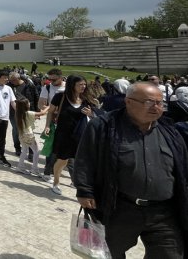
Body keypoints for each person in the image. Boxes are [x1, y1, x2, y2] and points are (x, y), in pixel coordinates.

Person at [74, 82, 188, 258]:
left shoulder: (170, 131)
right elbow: (85, 158)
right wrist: (85, 190)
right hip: (120, 209)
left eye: (160, 103)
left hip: (164, 213)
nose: (157, 107)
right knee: (107, 253)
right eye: (150, 102)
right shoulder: (104, 126)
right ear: (128, 101)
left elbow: (182, 166)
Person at [44, 75, 98, 195]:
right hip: (63, 134)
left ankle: (79, 183)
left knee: (80, 161)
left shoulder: (86, 98)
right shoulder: (61, 96)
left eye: (84, 84)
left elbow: (96, 114)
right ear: (72, 85)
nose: (83, 87)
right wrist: (47, 126)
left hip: (81, 135)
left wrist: (91, 114)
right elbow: (51, 111)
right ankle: (56, 182)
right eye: (80, 84)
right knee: (62, 160)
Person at [39, 68, 66, 181]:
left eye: (53, 80)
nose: (51, 81)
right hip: (53, 120)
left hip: (67, 120)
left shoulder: (68, 87)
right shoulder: (47, 87)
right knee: (51, 146)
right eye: (49, 79)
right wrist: (51, 109)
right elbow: (41, 104)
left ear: (60, 77)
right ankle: (48, 171)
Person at [14, 97, 48, 176]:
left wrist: (35, 117)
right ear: (26, 105)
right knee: (37, 151)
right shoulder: (28, 113)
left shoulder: (18, 113)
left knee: (25, 150)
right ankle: (34, 169)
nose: (29, 103)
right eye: (28, 102)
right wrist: (49, 107)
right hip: (28, 135)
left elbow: (27, 119)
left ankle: (20, 167)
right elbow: (42, 113)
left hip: (22, 134)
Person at [9, 72, 38, 156]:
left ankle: (31, 151)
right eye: (11, 80)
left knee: (29, 130)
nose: (12, 82)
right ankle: (17, 148)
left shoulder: (29, 85)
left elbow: (36, 96)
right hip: (14, 112)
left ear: (18, 78)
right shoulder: (9, 86)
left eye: (13, 80)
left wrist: (35, 111)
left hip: (27, 111)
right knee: (16, 130)